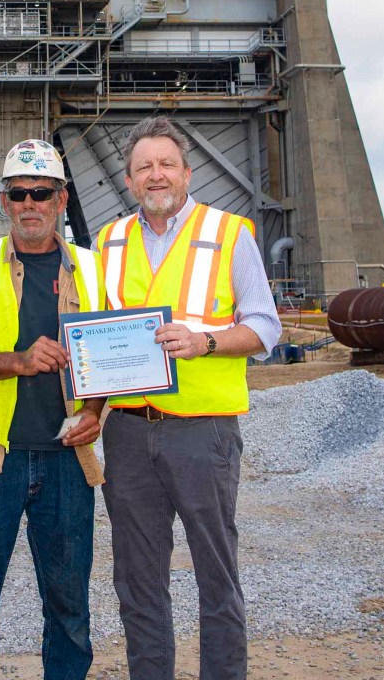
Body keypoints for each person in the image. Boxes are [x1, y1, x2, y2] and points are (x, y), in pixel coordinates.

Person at [96, 115, 282, 680]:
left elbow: (266, 329)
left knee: (215, 575)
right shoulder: (109, 241)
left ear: (186, 172)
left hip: (204, 432)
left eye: (166, 164)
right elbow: (97, 334)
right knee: (137, 579)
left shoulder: (230, 234)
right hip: (128, 431)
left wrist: (205, 341)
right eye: (143, 167)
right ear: (129, 180)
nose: (156, 175)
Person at [0, 138, 106, 680]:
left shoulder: (93, 268)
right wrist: (19, 361)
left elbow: (110, 360)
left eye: (42, 192)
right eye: (19, 193)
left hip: (67, 465)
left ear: (61, 199)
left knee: (71, 608)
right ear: (4, 202)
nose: (30, 203)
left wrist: (96, 411)